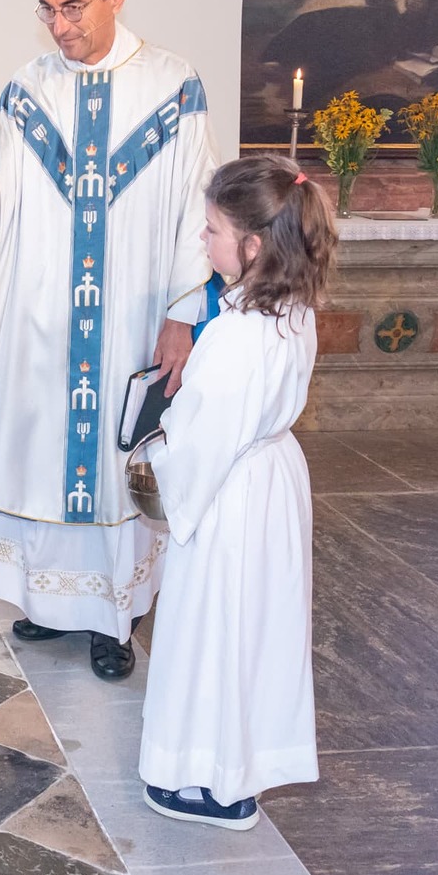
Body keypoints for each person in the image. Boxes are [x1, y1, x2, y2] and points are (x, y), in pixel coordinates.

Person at [0, 0, 217, 679]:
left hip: (132, 321)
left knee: (116, 461)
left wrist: (182, 314)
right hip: (46, 323)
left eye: (73, 7)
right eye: (47, 9)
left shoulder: (173, 86)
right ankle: (50, 603)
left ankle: (113, 620)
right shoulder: (29, 88)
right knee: (43, 455)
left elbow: (196, 210)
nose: (59, 25)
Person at [138, 155, 335, 830]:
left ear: (253, 246)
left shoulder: (235, 335)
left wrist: (154, 457)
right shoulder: (290, 308)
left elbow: (201, 437)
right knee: (256, 632)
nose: (203, 239)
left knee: (215, 630)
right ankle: (238, 768)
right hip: (269, 480)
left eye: (213, 229)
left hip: (230, 494)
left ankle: (213, 782)